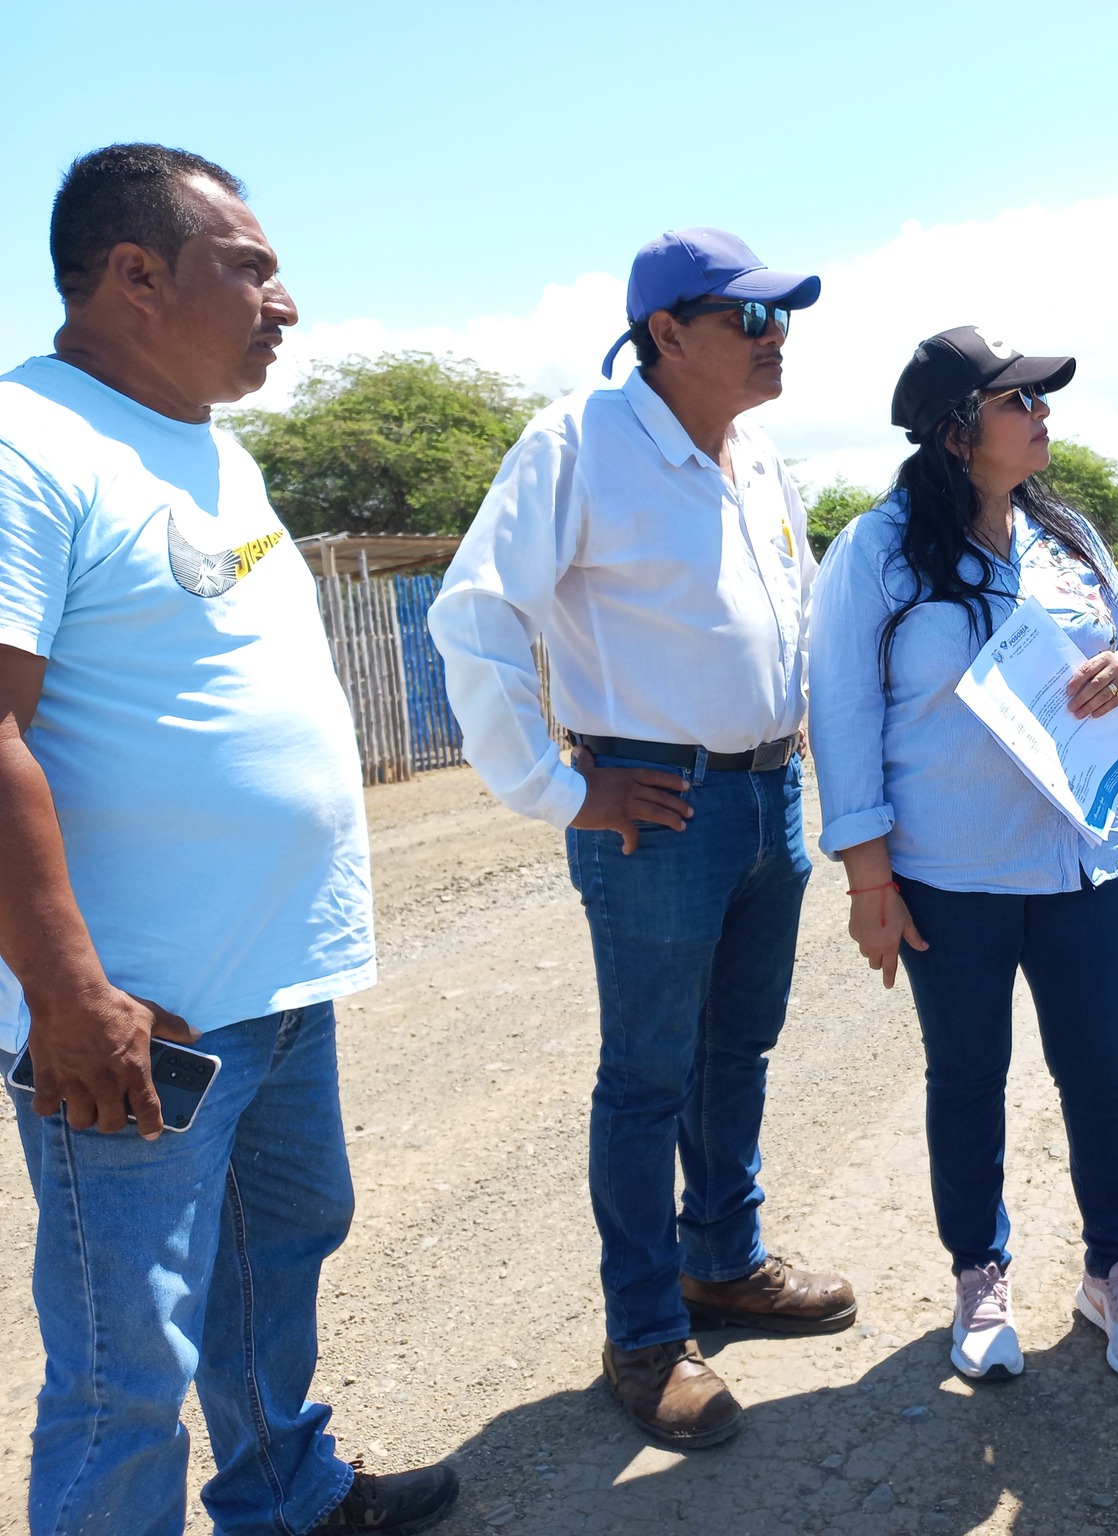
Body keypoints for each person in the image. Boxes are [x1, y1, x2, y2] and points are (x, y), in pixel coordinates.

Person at [0, 145, 458, 1535]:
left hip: (276, 983)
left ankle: (285, 1490)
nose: (286, 302)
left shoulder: (209, 444)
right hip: (139, 1011)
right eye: (250, 268)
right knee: (125, 1360)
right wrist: (70, 997)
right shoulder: (27, 444)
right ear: (135, 274)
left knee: (279, 1252)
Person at [429, 228, 855, 1449]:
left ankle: (723, 1261)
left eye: (782, 319)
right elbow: (476, 614)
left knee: (739, 1050)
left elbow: (798, 615)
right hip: (655, 809)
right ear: (665, 333)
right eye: (750, 319)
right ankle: (644, 1333)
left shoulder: (756, 455)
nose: (776, 340)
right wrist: (557, 787)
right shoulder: (578, 441)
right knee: (648, 1075)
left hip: (766, 795)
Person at [809, 326, 1118, 1381]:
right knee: (967, 1076)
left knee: (1100, 1070)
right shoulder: (876, 551)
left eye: (1040, 399)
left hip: (1085, 861)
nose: (1043, 415)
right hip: (951, 874)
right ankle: (979, 1273)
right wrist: (869, 879)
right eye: (1019, 401)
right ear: (954, 431)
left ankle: (1114, 1270)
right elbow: (841, 714)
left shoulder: (1066, 534)